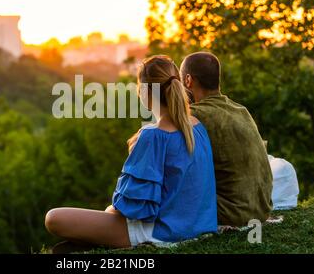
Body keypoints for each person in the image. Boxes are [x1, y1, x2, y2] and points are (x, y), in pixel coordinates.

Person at [45, 55, 217, 251]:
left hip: (163, 233)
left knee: (54, 218)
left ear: (144, 92)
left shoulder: (153, 136)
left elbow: (135, 209)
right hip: (198, 228)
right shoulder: (198, 128)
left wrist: (110, 212)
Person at [180, 51, 273, 226]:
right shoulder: (241, 110)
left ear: (188, 81)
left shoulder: (194, 115)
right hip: (261, 209)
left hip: (233, 213)